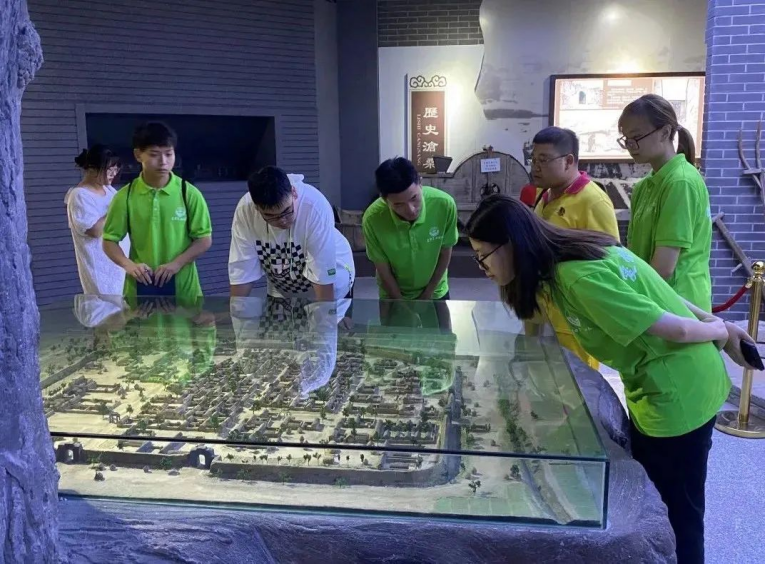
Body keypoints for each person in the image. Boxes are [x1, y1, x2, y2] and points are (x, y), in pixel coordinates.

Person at [465, 195, 756, 565]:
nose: (481, 267)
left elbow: (676, 329)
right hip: (670, 383)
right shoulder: (574, 254)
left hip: (678, 393)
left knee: (677, 512)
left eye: (483, 255)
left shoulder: (576, 276)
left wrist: (721, 330)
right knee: (667, 497)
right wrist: (719, 324)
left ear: (511, 243)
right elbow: (660, 295)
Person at [529, 126, 620, 369]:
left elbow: (610, 263)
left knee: (576, 383)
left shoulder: (593, 201)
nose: (535, 167)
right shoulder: (544, 196)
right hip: (542, 308)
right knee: (540, 376)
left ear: (569, 161)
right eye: (533, 159)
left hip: (574, 319)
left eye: (544, 160)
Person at [619, 94, 712, 311]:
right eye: (626, 139)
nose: (631, 145)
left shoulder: (681, 181)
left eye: (637, 137)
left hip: (679, 304)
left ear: (665, 132)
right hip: (653, 299)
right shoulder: (645, 186)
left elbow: (663, 268)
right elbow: (634, 254)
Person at [103, 122, 212, 305]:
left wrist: (176, 264)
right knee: (142, 324)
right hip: (140, 290)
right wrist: (129, 266)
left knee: (184, 324)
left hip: (184, 290)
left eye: (169, 154)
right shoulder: (125, 197)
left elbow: (204, 239)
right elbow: (109, 240)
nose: (163, 162)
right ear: (138, 155)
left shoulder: (189, 193)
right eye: (154, 154)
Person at [229, 166, 355, 301]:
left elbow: (323, 272)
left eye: (286, 211)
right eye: (270, 216)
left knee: (324, 312)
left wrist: (325, 312)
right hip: (283, 286)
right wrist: (236, 310)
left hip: (334, 282)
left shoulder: (314, 207)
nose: (282, 221)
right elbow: (242, 268)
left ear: (294, 193)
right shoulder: (245, 211)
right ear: (256, 208)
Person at [362, 157, 458, 301]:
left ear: (420, 183)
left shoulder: (444, 205)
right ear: (384, 200)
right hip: (392, 293)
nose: (411, 210)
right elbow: (382, 268)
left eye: (414, 198)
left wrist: (427, 295)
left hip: (435, 290)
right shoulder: (372, 219)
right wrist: (400, 303)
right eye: (398, 205)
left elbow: (445, 253)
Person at [65, 145, 128, 295]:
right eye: (109, 169)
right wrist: (116, 209)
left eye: (116, 169)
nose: (113, 174)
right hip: (100, 267)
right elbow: (94, 230)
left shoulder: (109, 190)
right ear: (92, 169)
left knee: (123, 305)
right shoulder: (79, 195)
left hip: (119, 263)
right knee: (105, 305)